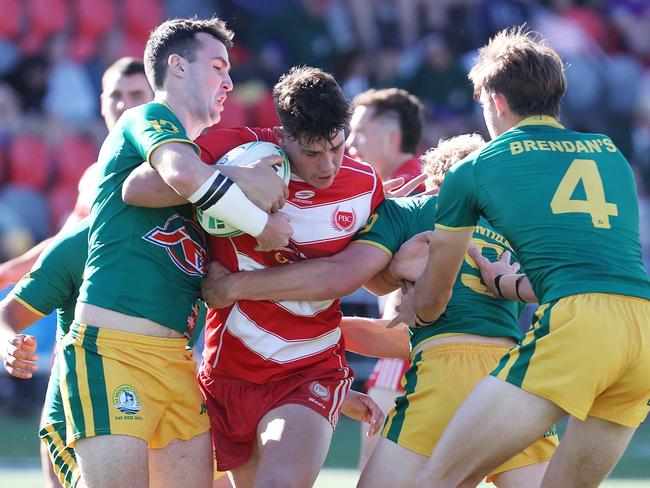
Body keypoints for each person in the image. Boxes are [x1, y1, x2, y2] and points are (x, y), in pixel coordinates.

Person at [203, 134, 559, 487]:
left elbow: (350, 276)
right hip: (512, 373)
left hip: (445, 365)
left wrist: (295, 327)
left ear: (436, 183)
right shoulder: (516, 229)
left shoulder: (407, 212)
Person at [121, 65, 385, 487]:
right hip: (229, 373)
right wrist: (232, 180)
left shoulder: (365, 185)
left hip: (310, 371)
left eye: (338, 147)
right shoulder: (239, 151)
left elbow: (356, 278)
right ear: (283, 136)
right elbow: (137, 189)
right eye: (313, 153)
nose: (328, 165)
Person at [413, 27, 650, 487]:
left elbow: (432, 300)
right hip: (643, 330)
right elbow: (593, 258)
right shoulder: (611, 153)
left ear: (497, 101)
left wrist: (411, 303)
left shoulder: (475, 166)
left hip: (579, 325)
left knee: (438, 479)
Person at [68, 17, 289, 488]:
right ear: (177, 67)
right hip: (114, 348)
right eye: (217, 66)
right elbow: (182, 174)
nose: (230, 81)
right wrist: (259, 214)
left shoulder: (206, 160)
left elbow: (152, 187)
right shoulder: (148, 116)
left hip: (176, 359)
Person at [0, 57, 153, 290]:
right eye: (115, 96)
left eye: (136, 95)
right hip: (101, 308)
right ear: (102, 103)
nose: (123, 105)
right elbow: (64, 242)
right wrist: (8, 272)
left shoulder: (174, 167)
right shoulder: (94, 176)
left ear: (156, 102)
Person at [345, 87, 426, 468]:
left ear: (392, 138)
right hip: (425, 350)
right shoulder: (425, 180)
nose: (350, 144)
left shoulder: (409, 191)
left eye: (360, 133)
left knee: (376, 470)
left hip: (410, 352)